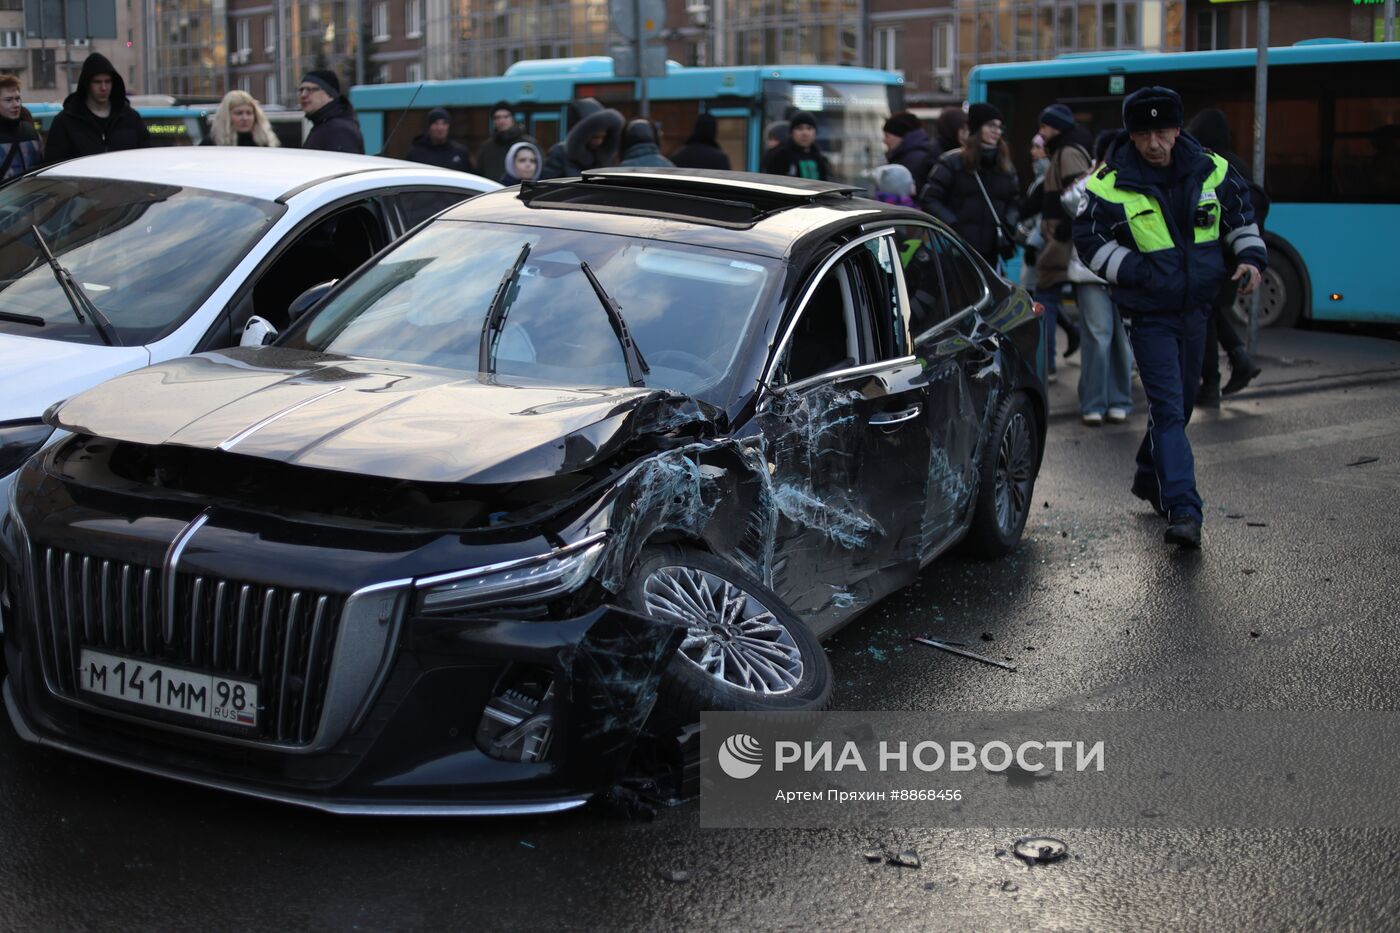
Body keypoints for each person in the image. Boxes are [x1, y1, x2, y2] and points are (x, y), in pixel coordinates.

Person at [1073, 86, 1267, 549]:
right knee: (1167, 407)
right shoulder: (1107, 184)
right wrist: (1137, 272)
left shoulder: (1213, 170)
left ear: (1178, 130)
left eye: (1162, 131)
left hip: (1198, 308)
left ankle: (1147, 476)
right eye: (1144, 134)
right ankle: (1184, 508)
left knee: (1179, 403)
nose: (1154, 143)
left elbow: (1241, 216)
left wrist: (1251, 259)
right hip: (1150, 313)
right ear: (1132, 135)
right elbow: (1089, 239)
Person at [1185, 108, 1266, 405]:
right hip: (1231, 257)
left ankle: (1211, 384)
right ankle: (1239, 361)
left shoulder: (1214, 166)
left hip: (1216, 257)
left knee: (1205, 319)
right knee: (1213, 315)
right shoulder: (1239, 164)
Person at [1063, 129, 1134, 426]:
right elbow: (1069, 200)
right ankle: (1100, 401)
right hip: (1099, 273)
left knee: (1113, 337)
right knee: (1104, 335)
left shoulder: (1123, 181)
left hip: (1112, 272)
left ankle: (1113, 401)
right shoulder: (1099, 181)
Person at [919, 103, 1019, 268]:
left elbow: (1014, 202)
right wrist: (954, 226)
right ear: (976, 127)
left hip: (991, 251)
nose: (997, 131)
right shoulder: (951, 162)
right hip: (956, 249)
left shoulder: (1005, 167)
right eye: (990, 125)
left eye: (1000, 127)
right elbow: (929, 199)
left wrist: (1008, 224)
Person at [1035, 103, 1091, 384]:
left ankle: (1046, 364)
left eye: (1044, 127)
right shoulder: (1064, 151)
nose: (1041, 133)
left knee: (1045, 294)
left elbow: (1080, 196)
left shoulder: (1067, 153)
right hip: (1062, 239)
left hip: (1063, 242)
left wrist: (1062, 232)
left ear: (1055, 127)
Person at [43, 53, 150, 163]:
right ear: (87, 84)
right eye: (97, 82)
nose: (103, 88)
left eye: (108, 81)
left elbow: (146, 158)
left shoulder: (130, 118)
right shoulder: (65, 122)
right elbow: (53, 165)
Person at [540, 98, 624, 178]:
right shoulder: (558, 153)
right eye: (594, 137)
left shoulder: (606, 157)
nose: (599, 141)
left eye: (603, 137)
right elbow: (547, 187)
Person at [298, 70, 363, 153]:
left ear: (330, 94)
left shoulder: (339, 130)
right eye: (301, 90)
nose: (303, 95)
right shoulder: (324, 125)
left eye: (310, 90)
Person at [476, 102, 536, 181]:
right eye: (497, 117)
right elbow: (479, 173)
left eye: (506, 116)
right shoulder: (486, 147)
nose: (502, 121)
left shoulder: (527, 144)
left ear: (512, 118)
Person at [764, 111, 832, 180]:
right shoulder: (781, 156)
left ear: (815, 132)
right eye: (799, 128)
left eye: (809, 128)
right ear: (791, 132)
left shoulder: (820, 159)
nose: (805, 133)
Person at [201, 89, 280, 147]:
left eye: (249, 113)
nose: (245, 118)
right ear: (226, 116)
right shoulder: (212, 144)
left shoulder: (267, 142)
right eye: (239, 113)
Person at [882, 111, 939, 192]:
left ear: (900, 136)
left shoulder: (913, 160)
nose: (884, 140)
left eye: (887, 136)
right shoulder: (912, 155)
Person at [0, 76, 42, 179]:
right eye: (9, 100)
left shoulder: (30, 131)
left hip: (32, 192)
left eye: (18, 99)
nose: (16, 104)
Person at [405, 108, 474, 171]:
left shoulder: (460, 153)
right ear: (429, 127)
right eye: (436, 123)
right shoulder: (416, 153)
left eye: (444, 123)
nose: (440, 128)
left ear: (448, 126)